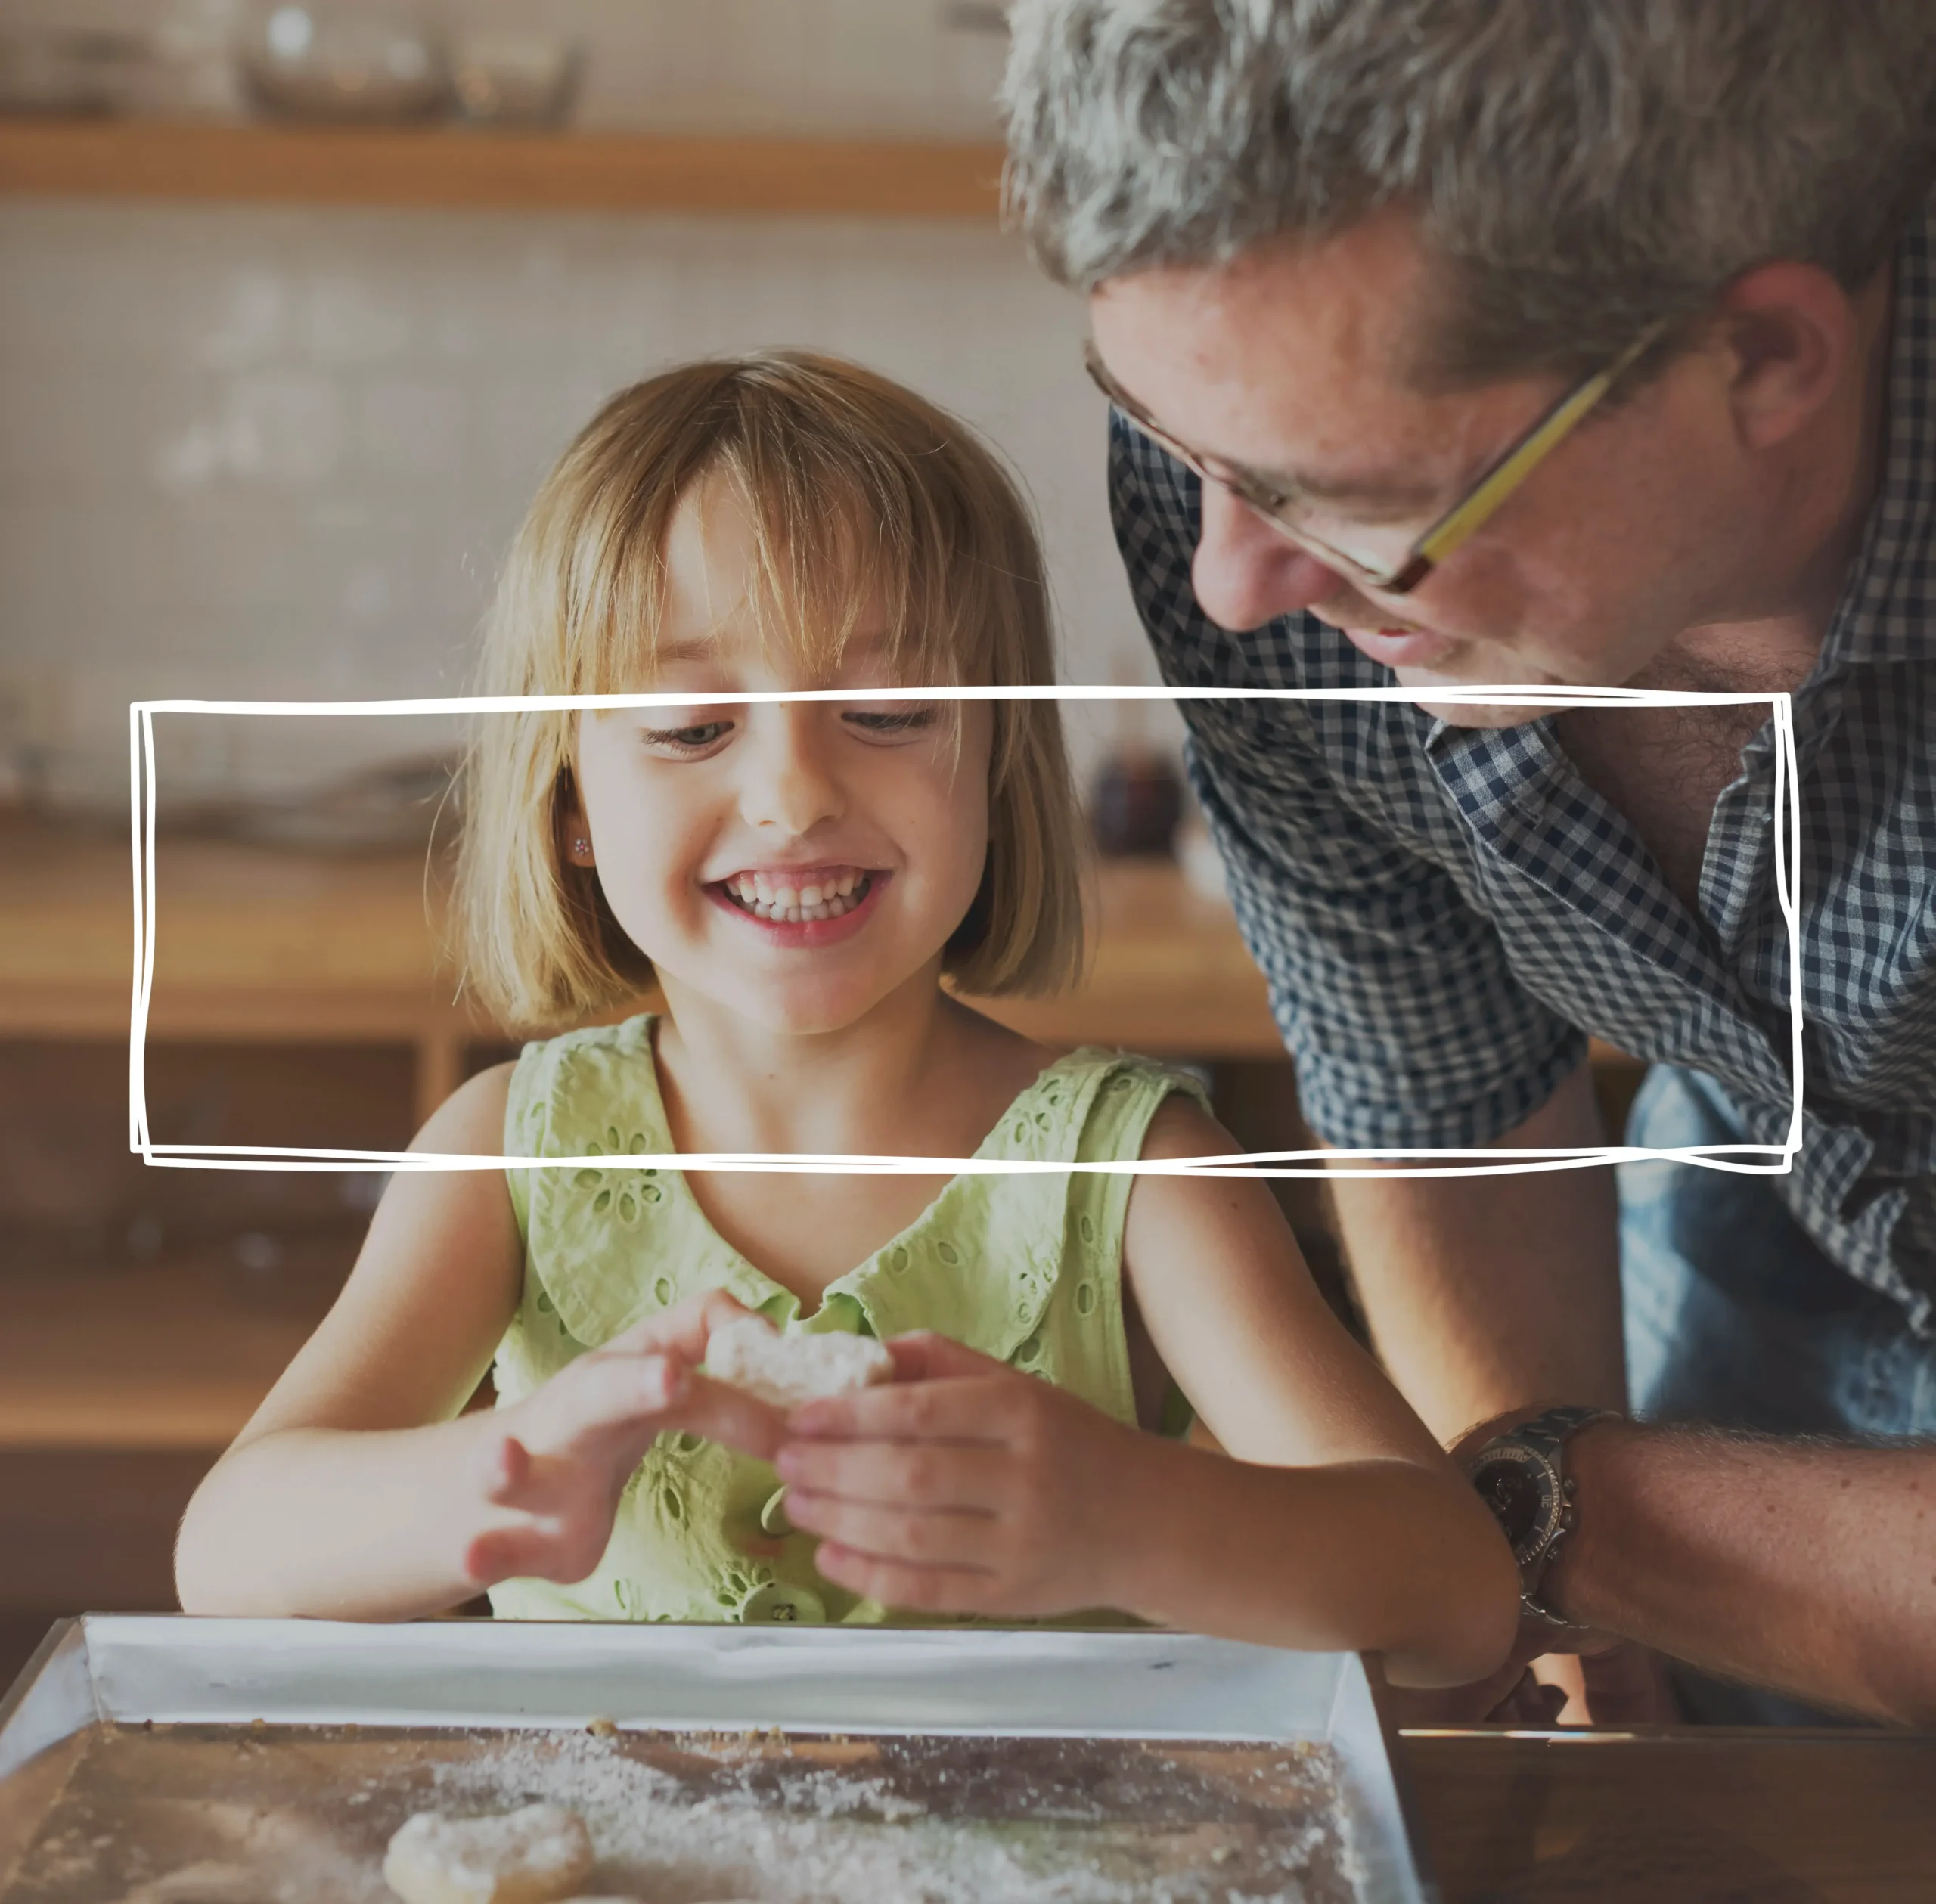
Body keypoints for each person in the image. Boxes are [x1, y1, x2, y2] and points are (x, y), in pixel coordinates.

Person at [172, 351, 1516, 1685]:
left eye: (887, 710)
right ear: (571, 801)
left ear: (1001, 759)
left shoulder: (1137, 1174)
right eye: (694, 725)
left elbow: (1454, 1592)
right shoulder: (510, 1157)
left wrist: (1132, 1519)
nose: (795, 791)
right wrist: (497, 1481)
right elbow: (224, 1554)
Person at [1003, 1, 1936, 1726]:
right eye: (1171, 440)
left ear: (1764, 364)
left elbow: (1533, 1509)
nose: (1224, 583)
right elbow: (1429, 1089)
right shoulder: (1255, 478)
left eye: (1359, 504)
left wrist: (1544, 1509)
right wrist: (1580, 1659)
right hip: (1765, 1202)